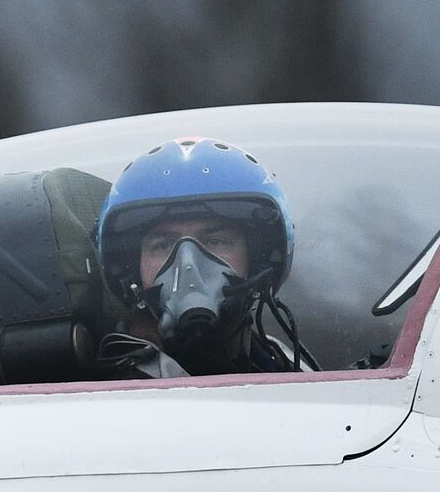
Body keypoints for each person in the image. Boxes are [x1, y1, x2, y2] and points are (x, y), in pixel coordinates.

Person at [93, 137, 313, 377]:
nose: (188, 264)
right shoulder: (112, 392)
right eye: (163, 245)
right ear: (132, 271)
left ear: (259, 262)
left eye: (215, 241)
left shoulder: (280, 359)